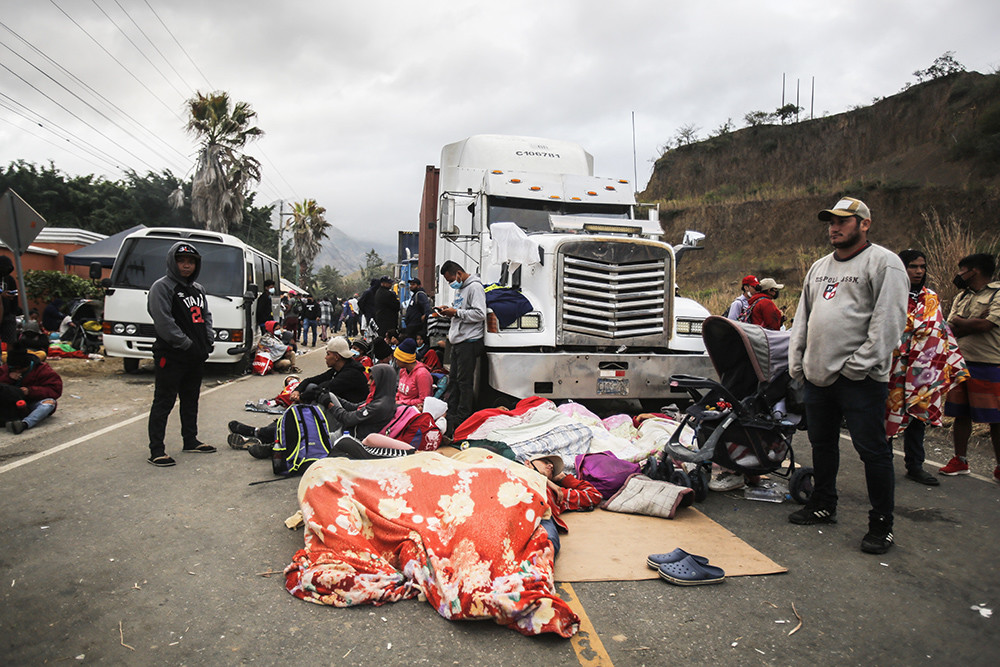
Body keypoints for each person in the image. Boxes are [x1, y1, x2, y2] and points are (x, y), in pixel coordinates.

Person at [787, 196, 908, 555]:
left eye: (843, 221)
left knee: (872, 451)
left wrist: (857, 365)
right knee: (822, 445)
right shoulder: (820, 267)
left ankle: (881, 525)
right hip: (817, 375)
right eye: (830, 222)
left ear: (864, 224)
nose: (834, 227)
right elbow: (802, 318)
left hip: (860, 379)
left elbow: (889, 322)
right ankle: (823, 503)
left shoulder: (885, 263)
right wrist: (798, 363)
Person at [886, 250, 967, 486]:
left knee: (917, 418)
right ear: (901, 267)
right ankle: (883, 465)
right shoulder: (889, 294)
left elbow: (940, 330)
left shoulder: (931, 297)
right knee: (888, 416)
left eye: (922, 266)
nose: (919, 271)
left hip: (924, 371)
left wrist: (949, 362)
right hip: (895, 369)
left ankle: (915, 466)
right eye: (913, 266)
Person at [228, 336, 370, 449]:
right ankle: (267, 435)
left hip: (343, 422)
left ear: (337, 356)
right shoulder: (340, 369)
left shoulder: (351, 374)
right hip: (334, 413)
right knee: (309, 399)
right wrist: (297, 391)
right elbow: (311, 380)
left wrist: (302, 397)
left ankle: (260, 434)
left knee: (312, 405)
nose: (325, 357)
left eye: (327, 354)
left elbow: (322, 390)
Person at [146, 242, 216, 466]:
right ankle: (156, 449)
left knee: (191, 399)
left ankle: (190, 440)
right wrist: (186, 343)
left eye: (191, 262)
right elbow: (163, 322)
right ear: (172, 262)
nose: (186, 266)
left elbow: (205, 316)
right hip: (172, 354)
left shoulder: (198, 289)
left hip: (195, 355)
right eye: (181, 261)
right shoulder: (162, 287)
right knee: (164, 401)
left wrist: (208, 340)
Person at [939, 253, 1000, 483]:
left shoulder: (997, 294)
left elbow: (986, 325)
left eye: (962, 270)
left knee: (995, 417)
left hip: (990, 362)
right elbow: (949, 328)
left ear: (974, 271)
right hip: (961, 361)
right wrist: (971, 323)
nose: (959, 275)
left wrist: (965, 323)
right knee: (960, 413)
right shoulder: (962, 296)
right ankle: (960, 459)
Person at [433, 260, 487, 437]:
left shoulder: (474, 288)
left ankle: (464, 418)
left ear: (458, 273)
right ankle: (453, 414)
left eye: (450, 280)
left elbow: (480, 314)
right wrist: (447, 310)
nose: (451, 284)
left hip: (469, 341)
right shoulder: (460, 289)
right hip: (458, 341)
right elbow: (460, 311)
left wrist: (456, 313)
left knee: (464, 381)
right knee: (454, 380)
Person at [524, 454, 602, 555]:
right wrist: (544, 479)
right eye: (545, 461)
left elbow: (594, 495)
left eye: (553, 470)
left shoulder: (557, 494)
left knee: (550, 541)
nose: (551, 466)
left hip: (542, 515)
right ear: (527, 463)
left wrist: (563, 478)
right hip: (510, 506)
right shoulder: (514, 471)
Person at [1, 343, 62, 434]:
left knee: (49, 403)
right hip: (11, 403)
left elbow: (55, 390)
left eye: (20, 369)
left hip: (32, 402)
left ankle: (24, 424)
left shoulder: (43, 370)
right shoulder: (6, 369)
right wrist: (8, 378)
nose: (17, 371)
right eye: (14, 369)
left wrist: (30, 391)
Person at [394, 338, 433, 407]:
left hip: (412, 410)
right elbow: (399, 393)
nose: (396, 361)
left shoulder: (422, 374)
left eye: (397, 358)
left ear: (404, 359)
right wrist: (395, 400)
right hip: (400, 406)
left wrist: (402, 402)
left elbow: (424, 400)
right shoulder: (403, 370)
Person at [1, 255, 20, 345]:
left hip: (8, 314)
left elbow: (15, 295)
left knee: (11, 340)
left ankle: (10, 357)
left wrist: (13, 312)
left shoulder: (10, 279)